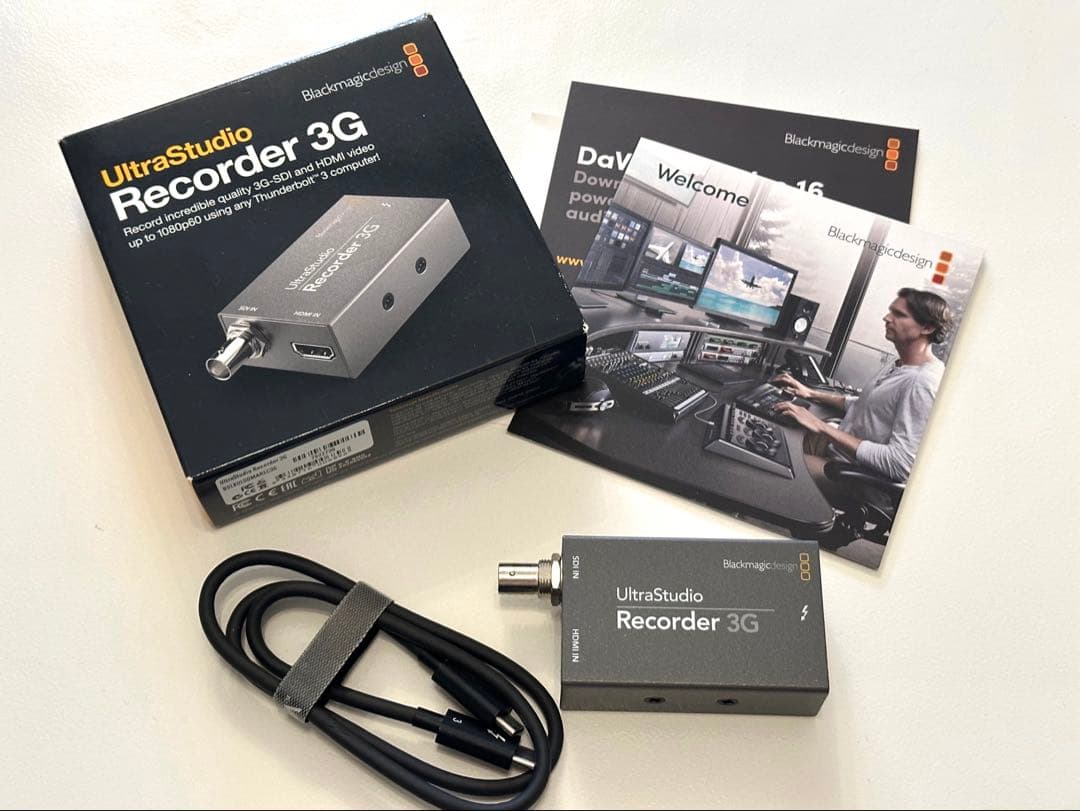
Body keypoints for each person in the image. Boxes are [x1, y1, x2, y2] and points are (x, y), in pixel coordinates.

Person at [771, 288, 952, 501]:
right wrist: (810, 393)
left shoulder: (923, 382)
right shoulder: (901, 363)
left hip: (856, 479)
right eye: (890, 311)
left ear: (927, 327)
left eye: (899, 314)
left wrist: (820, 426)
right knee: (771, 437)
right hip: (838, 453)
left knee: (775, 466)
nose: (887, 318)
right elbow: (867, 404)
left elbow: (900, 464)